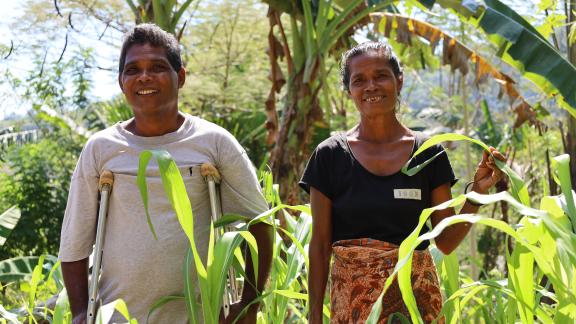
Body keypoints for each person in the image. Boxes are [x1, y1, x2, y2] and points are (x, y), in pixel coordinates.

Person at [59, 23, 272, 324]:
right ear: (121, 82)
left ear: (180, 77)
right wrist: (81, 312)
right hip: (118, 318)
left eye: (157, 67)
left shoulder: (214, 143)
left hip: (201, 316)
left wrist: (250, 305)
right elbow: (74, 240)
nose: (144, 76)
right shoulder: (100, 149)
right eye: (133, 70)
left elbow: (259, 223)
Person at [300, 42, 506, 323]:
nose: (371, 86)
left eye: (381, 76)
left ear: (399, 80)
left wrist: (478, 193)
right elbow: (320, 245)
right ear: (349, 91)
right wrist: (314, 318)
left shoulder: (428, 153)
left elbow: (444, 241)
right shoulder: (330, 156)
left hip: (417, 307)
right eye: (359, 80)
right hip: (354, 310)